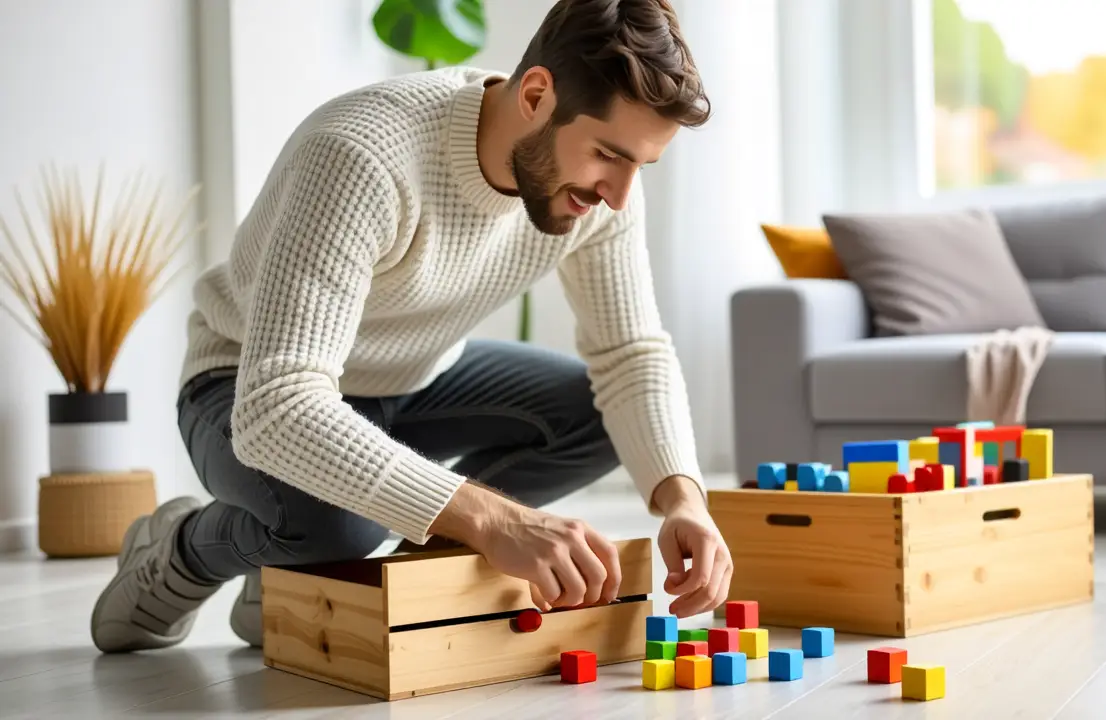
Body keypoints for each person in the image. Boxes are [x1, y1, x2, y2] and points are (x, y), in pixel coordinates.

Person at [90, 0, 733, 654]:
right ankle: (182, 550)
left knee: (604, 418)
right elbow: (278, 407)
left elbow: (630, 354)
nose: (619, 197)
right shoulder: (362, 155)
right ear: (538, 94)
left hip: (416, 376)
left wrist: (684, 500)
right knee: (341, 528)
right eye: (608, 156)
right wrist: (492, 519)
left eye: (639, 168)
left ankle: (321, 578)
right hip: (240, 384)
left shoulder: (601, 190)